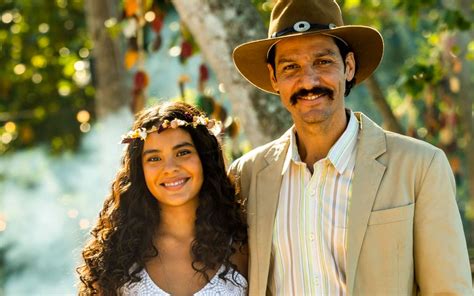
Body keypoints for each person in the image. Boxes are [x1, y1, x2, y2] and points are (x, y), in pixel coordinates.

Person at [229, 0, 472, 295]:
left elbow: (448, 290)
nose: (309, 81)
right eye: (291, 67)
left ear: (349, 66)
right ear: (274, 77)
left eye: (323, 62)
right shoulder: (246, 176)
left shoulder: (420, 166)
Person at [77, 102, 248, 295]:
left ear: (204, 158)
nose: (170, 168)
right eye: (154, 158)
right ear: (139, 170)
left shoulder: (242, 246)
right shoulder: (116, 256)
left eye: (183, 152)